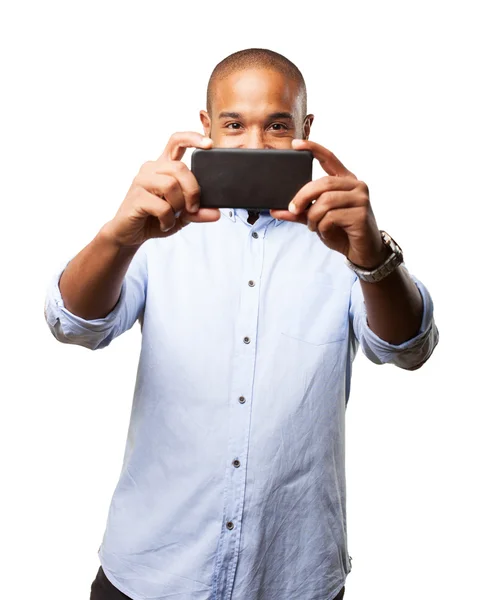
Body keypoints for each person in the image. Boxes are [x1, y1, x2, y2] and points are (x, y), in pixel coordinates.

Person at [44, 48, 439, 600]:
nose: (255, 143)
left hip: (291, 575)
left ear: (306, 129)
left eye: (278, 125)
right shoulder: (158, 230)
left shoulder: (347, 238)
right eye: (235, 124)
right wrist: (119, 235)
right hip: (153, 570)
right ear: (206, 129)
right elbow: (74, 325)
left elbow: (408, 349)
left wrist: (372, 255)